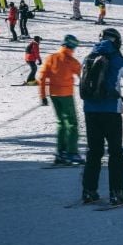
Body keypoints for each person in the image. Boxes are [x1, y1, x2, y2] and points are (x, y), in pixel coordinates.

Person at [79, 28, 123, 205]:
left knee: (94, 151)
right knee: (116, 152)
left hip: (90, 110)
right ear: (117, 41)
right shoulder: (118, 59)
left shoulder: (88, 58)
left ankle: (89, 191)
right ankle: (116, 193)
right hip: (111, 111)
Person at [38, 34, 84, 165]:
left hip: (53, 95)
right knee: (72, 123)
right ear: (72, 46)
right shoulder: (71, 61)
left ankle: (61, 152)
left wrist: (43, 96)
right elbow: (83, 77)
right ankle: (72, 153)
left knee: (61, 123)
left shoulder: (51, 58)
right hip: (66, 95)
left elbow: (41, 77)